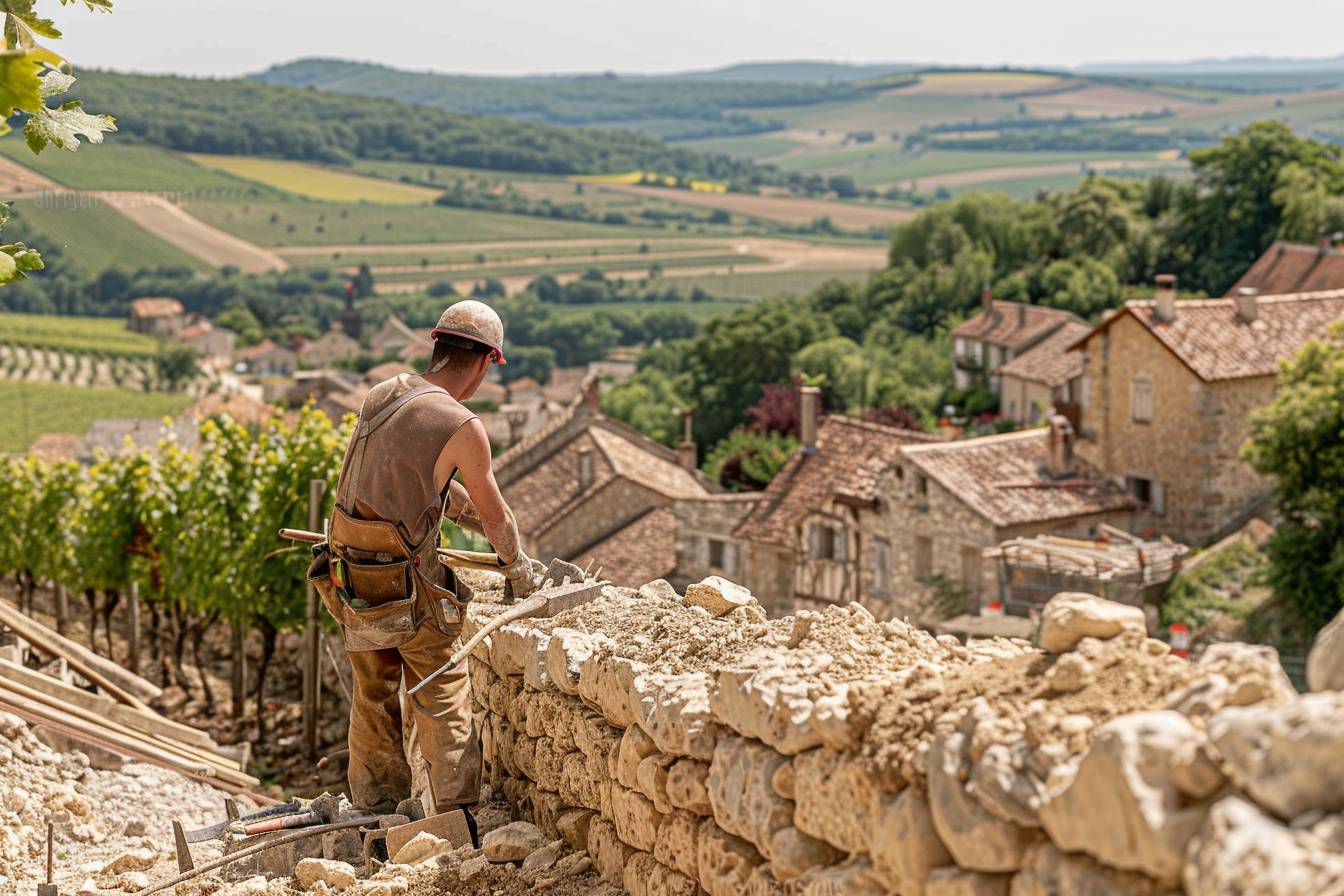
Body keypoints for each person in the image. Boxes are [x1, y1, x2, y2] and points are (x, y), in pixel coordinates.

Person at [310, 299, 539, 823]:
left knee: (373, 692)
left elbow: (412, 482)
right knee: (441, 689)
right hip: (409, 589)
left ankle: (376, 810)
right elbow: (497, 515)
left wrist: (458, 508)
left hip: (352, 581)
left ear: (437, 347)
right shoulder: (463, 425)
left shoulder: (380, 395)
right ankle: (459, 821)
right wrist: (518, 568)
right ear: (485, 362)